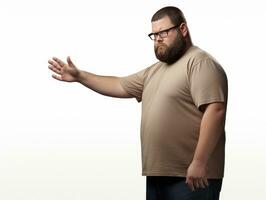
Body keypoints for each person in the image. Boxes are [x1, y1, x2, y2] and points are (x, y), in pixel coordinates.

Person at [48, 6, 228, 200]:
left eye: (164, 32)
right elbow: (119, 85)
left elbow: (215, 110)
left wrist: (199, 162)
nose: (158, 39)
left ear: (183, 29)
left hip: (192, 178)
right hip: (158, 176)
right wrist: (80, 76)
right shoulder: (155, 71)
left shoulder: (199, 63)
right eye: (154, 34)